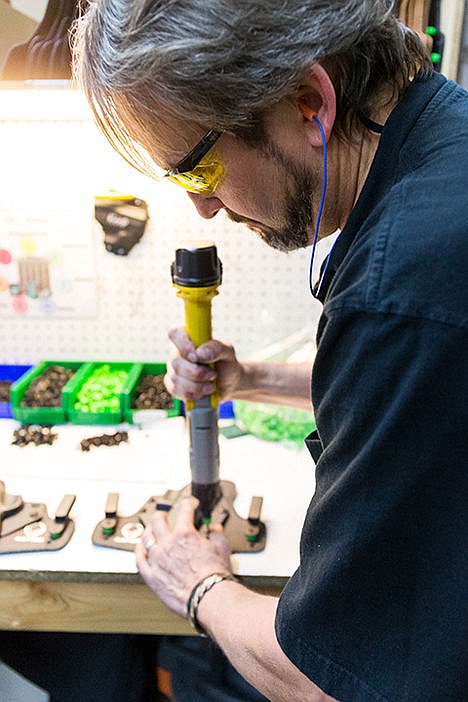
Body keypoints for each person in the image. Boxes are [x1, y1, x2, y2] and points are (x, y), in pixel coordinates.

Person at [72, 1, 468, 700]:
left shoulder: (402, 277)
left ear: (308, 101)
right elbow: (430, 395)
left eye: (197, 171)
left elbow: (329, 681)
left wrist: (199, 584)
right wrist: (251, 377)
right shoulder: (443, 141)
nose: (204, 207)